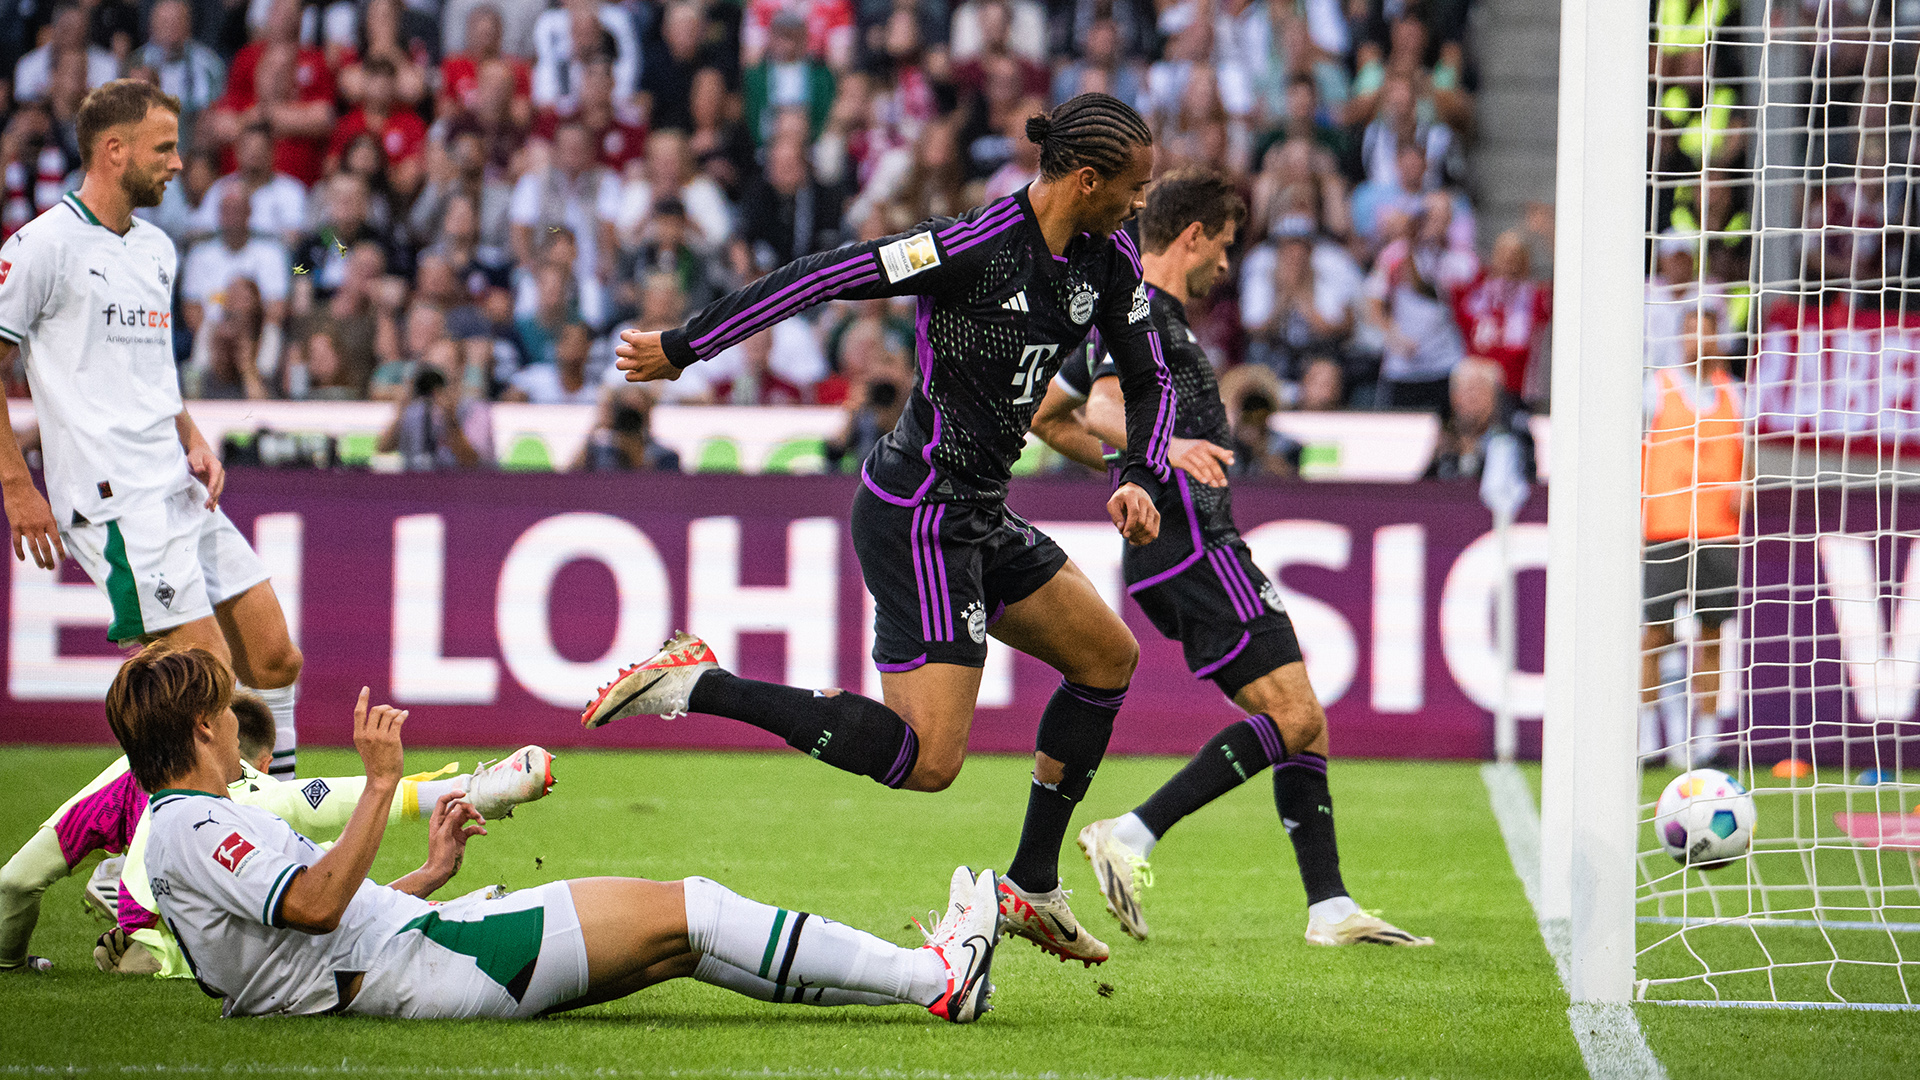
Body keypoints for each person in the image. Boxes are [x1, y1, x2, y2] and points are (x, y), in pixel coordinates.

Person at [599, 93, 1174, 967]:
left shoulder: (1108, 257)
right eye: (1133, 188)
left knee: (1106, 659)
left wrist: (1140, 473)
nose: (1141, 205)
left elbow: (1151, 377)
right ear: (1087, 179)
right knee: (928, 759)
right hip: (921, 514)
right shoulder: (971, 248)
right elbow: (821, 275)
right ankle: (699, 684)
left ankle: (1029, 883)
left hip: (979, 510)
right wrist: (689, 344)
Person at [117, 643, 1002, 1022]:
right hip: (429, 967)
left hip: (407, 953)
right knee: (691, 907)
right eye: (221, 709)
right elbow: (310, 907)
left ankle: (922, 986)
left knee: (683, 944)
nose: (238, 719)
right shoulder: (195, 826)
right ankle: (936, 977)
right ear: (200, 731)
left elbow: (288, 943)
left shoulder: (191, 825)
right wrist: (383, 785)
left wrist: (426, 873)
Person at [1027, 169, 1432, 948]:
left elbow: (1050, 413)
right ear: (1193, 237)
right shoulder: (1145, 314)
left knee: (1300, 723)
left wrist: (1126, 467)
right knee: (1297, 715)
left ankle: (1330, 906)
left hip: (1178, 548)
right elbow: (1107, 406)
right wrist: (1161, 449)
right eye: (1224, 246)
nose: (1226, 264)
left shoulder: (1138, 312)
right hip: (1192, 544)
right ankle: (1133, 832)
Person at [0, 81, 306, 776]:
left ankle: (272, 813)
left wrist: (191, 435)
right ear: (114, 151)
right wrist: (18, 488)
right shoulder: (42, 246)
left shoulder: (159, 249)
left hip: (174, 483)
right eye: (164, 148)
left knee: (274, 657)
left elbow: (150, 375)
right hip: (113, 501)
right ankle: (136, 865)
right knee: (209, 692)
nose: (178, 163)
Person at [0, 687, 556, 975]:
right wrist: (476, 794)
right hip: (207, 953)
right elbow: (334, 817)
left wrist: (11, 964)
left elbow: (14, 886)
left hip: (146, 906)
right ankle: (151, 932)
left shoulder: (118, 779)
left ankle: (132, 899)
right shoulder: (249, 789)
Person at [1640, 308, 1744, 769]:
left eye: (1706, 334)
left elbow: (1747, 451)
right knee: (1655, 633)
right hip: (1665, 525)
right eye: (1690, 334)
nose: (1698, 343)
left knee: (1712, 635)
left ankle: (1703, 743)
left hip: (1719, 530)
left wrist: (1747, 484)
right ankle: (1648, 739)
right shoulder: (1656, 389)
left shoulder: (1734, 393)